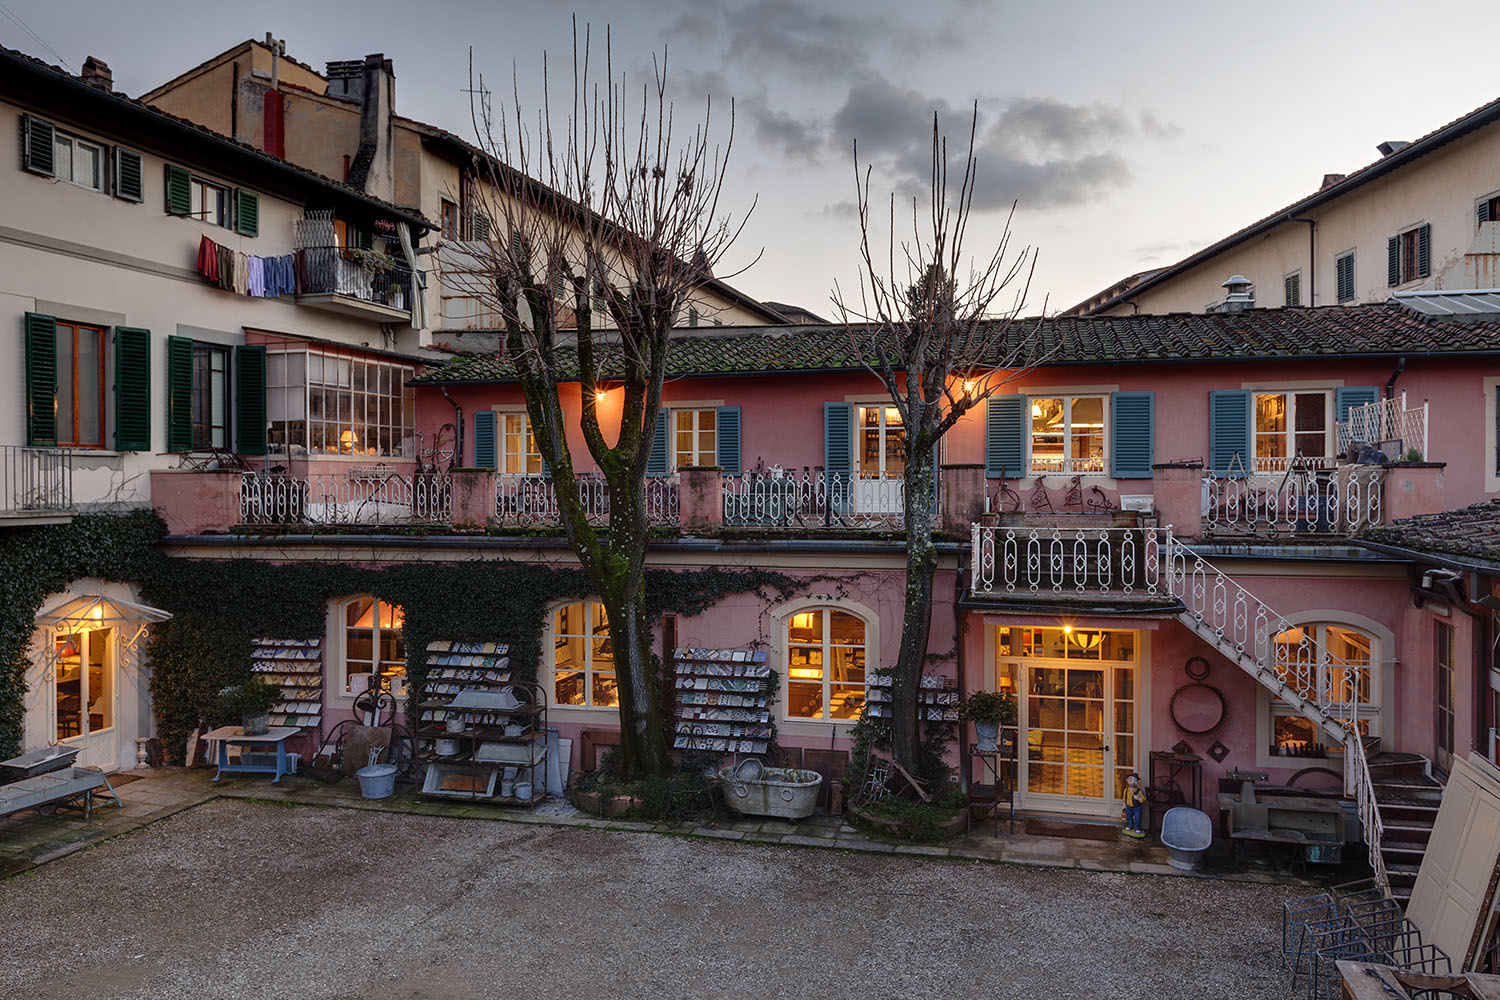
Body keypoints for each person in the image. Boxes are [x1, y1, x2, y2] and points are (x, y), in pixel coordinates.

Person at [1122, 772, 1147, 839]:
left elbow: (1144, 798)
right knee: (1128, 816)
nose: (1133, 782)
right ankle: (1130, 826)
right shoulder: (1126, 790)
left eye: (1135, 780)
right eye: (1131, 780)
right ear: (1127, 780)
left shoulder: (1138, 791)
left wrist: (1139, 798)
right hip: (1129, 806)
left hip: (1137, 807)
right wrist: (1124, 805)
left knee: (1137, 817)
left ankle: (1137, 828)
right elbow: (1124, 797)